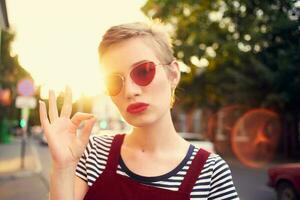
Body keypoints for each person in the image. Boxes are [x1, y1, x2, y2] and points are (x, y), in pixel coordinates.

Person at [39, 21, 239, 200]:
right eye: (114, 81)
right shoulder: (93, 152)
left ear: (173, 74)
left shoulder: (211, 172)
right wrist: (63, 166)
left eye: (143, 71)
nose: (130, 91)